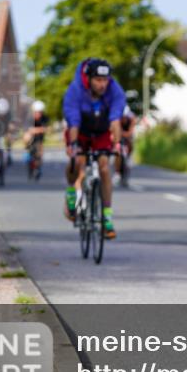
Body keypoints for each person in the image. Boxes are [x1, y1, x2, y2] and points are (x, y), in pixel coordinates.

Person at [62, 58, 126, 239]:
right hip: (80, 130)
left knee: (104, 167)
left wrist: (117, 144)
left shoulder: (115, 90)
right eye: (98, 80)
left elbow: (115, 120)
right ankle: (71, 192)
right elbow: (73, 121)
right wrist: (74, 146)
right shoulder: (75, 90)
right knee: (77, 162)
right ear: (88, 79)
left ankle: (107, 217)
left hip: (101, 131)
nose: (102, 84)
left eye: (105, 80)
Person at [23, 100, 50, 180]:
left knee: (40, 150)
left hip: (39, 138)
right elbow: (29, 130)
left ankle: (38, 167)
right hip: (31, 137)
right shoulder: (29, 118)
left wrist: (40, 130)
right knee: (26, 136)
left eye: (40, 112)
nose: (38, 114)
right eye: (36, 112)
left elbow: (47, 128)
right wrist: (41, 129)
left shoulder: (45, 118)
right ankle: (27, 150)